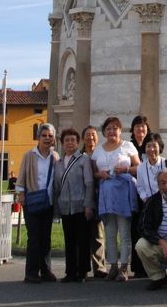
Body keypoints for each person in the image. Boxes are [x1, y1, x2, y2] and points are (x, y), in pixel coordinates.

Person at [91, 116, 139, 282]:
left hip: (123, 193)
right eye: (108, 128)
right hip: (106, 195)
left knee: (124, 233)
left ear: (120, 130)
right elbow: (93, 172)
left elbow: (138, 167)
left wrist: (126, 169)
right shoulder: (98, 149)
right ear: (104, 132)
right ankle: (113, 266)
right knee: (110, 233)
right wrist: (100, 174)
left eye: (115, 128)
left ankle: (124, 267)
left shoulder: (128, 146)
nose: (111, 131)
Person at [17, 122, 59, 283]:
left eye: (50, 136)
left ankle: (46, 270)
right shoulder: (29, 155)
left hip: (47, 202)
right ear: (38, 137)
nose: (47, 139)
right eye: (44, 135)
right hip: (32, 201)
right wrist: (21, 194)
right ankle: (31, 272)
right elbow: (21, 176)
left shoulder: (55, 157)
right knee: (34, 237)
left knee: (46, 238)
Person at [54, 127, 95, 282]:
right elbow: (57, 187)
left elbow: (89, 183)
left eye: (73, 140)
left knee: (82, 240)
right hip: (65, 206)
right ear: (62, 144)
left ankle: (82, 271)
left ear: (77, 143)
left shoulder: (83, 160)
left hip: (81, 205)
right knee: (69, 240)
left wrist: (88, 205)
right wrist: (57, 208)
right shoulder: (58, 163)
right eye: (66, 140)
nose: (70, 143)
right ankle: (70, 271)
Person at [81, 125, 107, 277]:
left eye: (93, 135)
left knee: (97, 233)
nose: (90, 138)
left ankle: (99, 267)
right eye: (87, 135)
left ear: (97, 138)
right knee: (82, 234)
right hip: (81, 198)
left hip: (98, 197)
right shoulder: (79, 155)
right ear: (83, 138)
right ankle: (82, 267)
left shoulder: (101, 154)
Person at [129, 114, 151, 278]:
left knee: (150, 229)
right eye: (137, 126)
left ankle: (151, 266)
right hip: (134, 193)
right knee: (135, 229)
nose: (140, 129)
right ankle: (137, 266)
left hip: (150, 194)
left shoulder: (152, 145)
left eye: (142, 126)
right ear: (133, 130)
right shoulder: (128, 147)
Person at [136, 132, 167, 202]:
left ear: (160, 147)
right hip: (151, 205)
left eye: (154, 146)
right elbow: (140, 187)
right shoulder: (141, 168)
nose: (152, 149)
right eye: (148, 146)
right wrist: (146, 199)